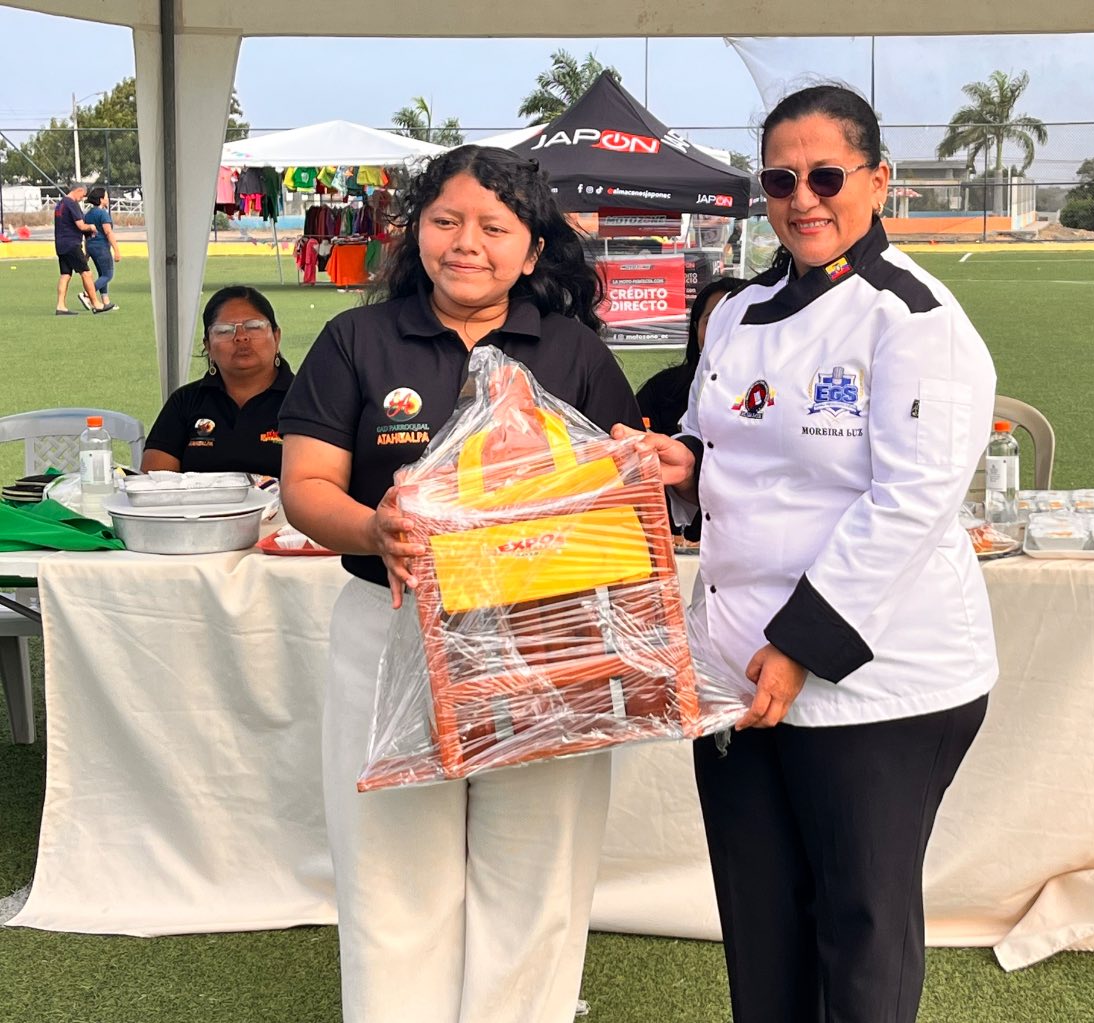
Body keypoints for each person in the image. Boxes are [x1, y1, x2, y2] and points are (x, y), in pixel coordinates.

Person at [613, 84, 998, 1023]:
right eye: (781, 180)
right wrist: (682, 463)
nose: (804, 198)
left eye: (827, 176)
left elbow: (911, 500)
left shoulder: (915, 316)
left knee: (860, 932)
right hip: (736, 671)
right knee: (762, 925)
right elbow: (725, 445)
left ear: (879, 180)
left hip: (876, 680)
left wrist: (798, 646)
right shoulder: (739, 311)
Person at [278, 145, 643, 1023]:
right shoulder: (358, 340)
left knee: (538, 869)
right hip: (392, 624)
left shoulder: (574, 352)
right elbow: (307, 486)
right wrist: (372, 529)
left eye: (493, 227)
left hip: (546, 636)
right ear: (418, 233)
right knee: (391, 871)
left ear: (532, 248)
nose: (466, 243)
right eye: (446, 221)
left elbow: (623, 492)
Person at [635, 276, 744, 546]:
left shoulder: (772, 392)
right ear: (696, 328)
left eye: (736, 321)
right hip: (672, 537)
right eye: (712, 321)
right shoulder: (661, 389)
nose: (723, 331)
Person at [141, 286, 291, 477]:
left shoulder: (305, 402)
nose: (241, 337)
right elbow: (155, 480)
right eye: (224, 330)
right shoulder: (185, 401)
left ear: (276, 337)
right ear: (208, 346)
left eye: (254, 326)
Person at [52, 181, 106, 316]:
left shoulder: (60, 204)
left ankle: (60, 306)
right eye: (83, 195)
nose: (82, 198)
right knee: (86, 273)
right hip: (72, 244)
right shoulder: (71, 203)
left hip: (60, 244)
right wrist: (91, 227)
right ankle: (96, 304)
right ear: (79, 190)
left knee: (65, 275)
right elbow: (81, 225)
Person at [83, 186, 120, 311]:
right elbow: (108, 232)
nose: (108, 199)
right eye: (106, 197)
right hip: (101, 247)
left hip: (91, 246)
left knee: (102, 274)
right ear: (101, 199)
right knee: (108, 274)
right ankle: (87, 294)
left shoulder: (88, 214)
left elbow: (86, 235)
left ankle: (106, 301)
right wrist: (116, 250)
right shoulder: (102, 213)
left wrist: (87, 253)